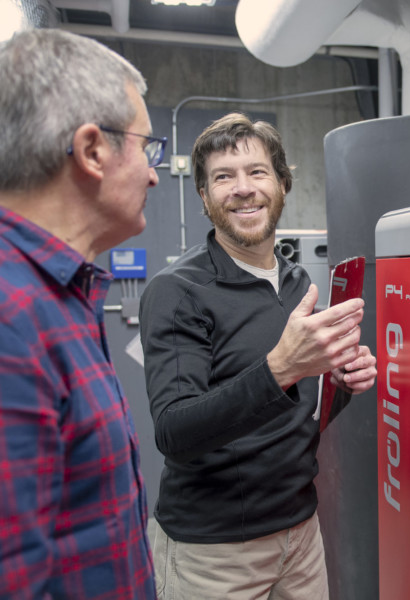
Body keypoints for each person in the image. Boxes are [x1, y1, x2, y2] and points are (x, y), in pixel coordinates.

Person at [138, 112, 377, 599]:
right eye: (223, 177)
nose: (243, 188)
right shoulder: (177, 292)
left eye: (257, 172)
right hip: (214, 553)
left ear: (283, 183)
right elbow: (174, 432)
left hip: (300, 535)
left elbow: (300, 413)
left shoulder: (297, 282)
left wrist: (343, 382)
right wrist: (281, 367)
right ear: (204, 197)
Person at [0, 29, 163, 599]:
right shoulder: (11, 317)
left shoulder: (61, 294)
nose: (153, 173)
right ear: (93, 150)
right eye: (148, 146)